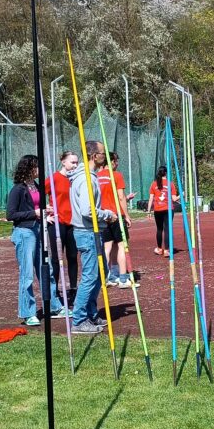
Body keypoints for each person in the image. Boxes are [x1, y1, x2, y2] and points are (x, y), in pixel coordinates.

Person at [5, 155, 66, 326]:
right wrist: (35, 214)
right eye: (37, 167)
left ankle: (55, 306)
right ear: (29, 168)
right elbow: (11, 215)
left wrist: (46, 212)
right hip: (24, 233)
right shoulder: (18, 189)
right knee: (27, 274)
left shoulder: (36, 186)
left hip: (39, 230)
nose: (40, 170)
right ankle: (28, 312)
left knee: (46, 270)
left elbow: (37, 207)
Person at [69, 141, 118, 334]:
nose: (105, 156)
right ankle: (78, 320)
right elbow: (87, 210)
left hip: (92, 232)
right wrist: (107, 214)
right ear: (93, 155)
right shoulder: (85, 179)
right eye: (102, 153)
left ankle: (90, 312)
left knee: (101, 272)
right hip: (86, 232)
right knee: (90, 276)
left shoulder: (90, 176)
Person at [45, 150, 79, 304]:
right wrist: (46, 213)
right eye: (72, 162)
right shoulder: (53, 178)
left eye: (77, 162)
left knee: (72, 257)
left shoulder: (76, 179)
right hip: (57, 223)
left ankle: (73, 289)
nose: (75, 165)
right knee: (57, 258)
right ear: (63, 162)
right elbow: (36, 197)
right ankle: (55, 292)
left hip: (73, 223)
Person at [97, 151, 134, 288]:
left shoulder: (96, 176)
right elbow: (121, 197)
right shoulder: (117, 175)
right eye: (116, 161)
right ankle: (123, 279)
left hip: (103, 216)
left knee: (107, 247)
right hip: (116, 215)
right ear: (111, 161)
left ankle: (109, 276)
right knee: (121, 245)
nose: (117, 164)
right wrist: (127, 215)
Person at [147, 165, 179, 257]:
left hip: (157, 209)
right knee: (167, 229)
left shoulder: (154, 184)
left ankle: (159, 248)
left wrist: (148, 211)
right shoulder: (170, 184)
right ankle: (167, 250)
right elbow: (174, 199)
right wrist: (181, 195)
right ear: (166, 173)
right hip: (168, 209)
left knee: (159, 229)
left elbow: (150, 199)